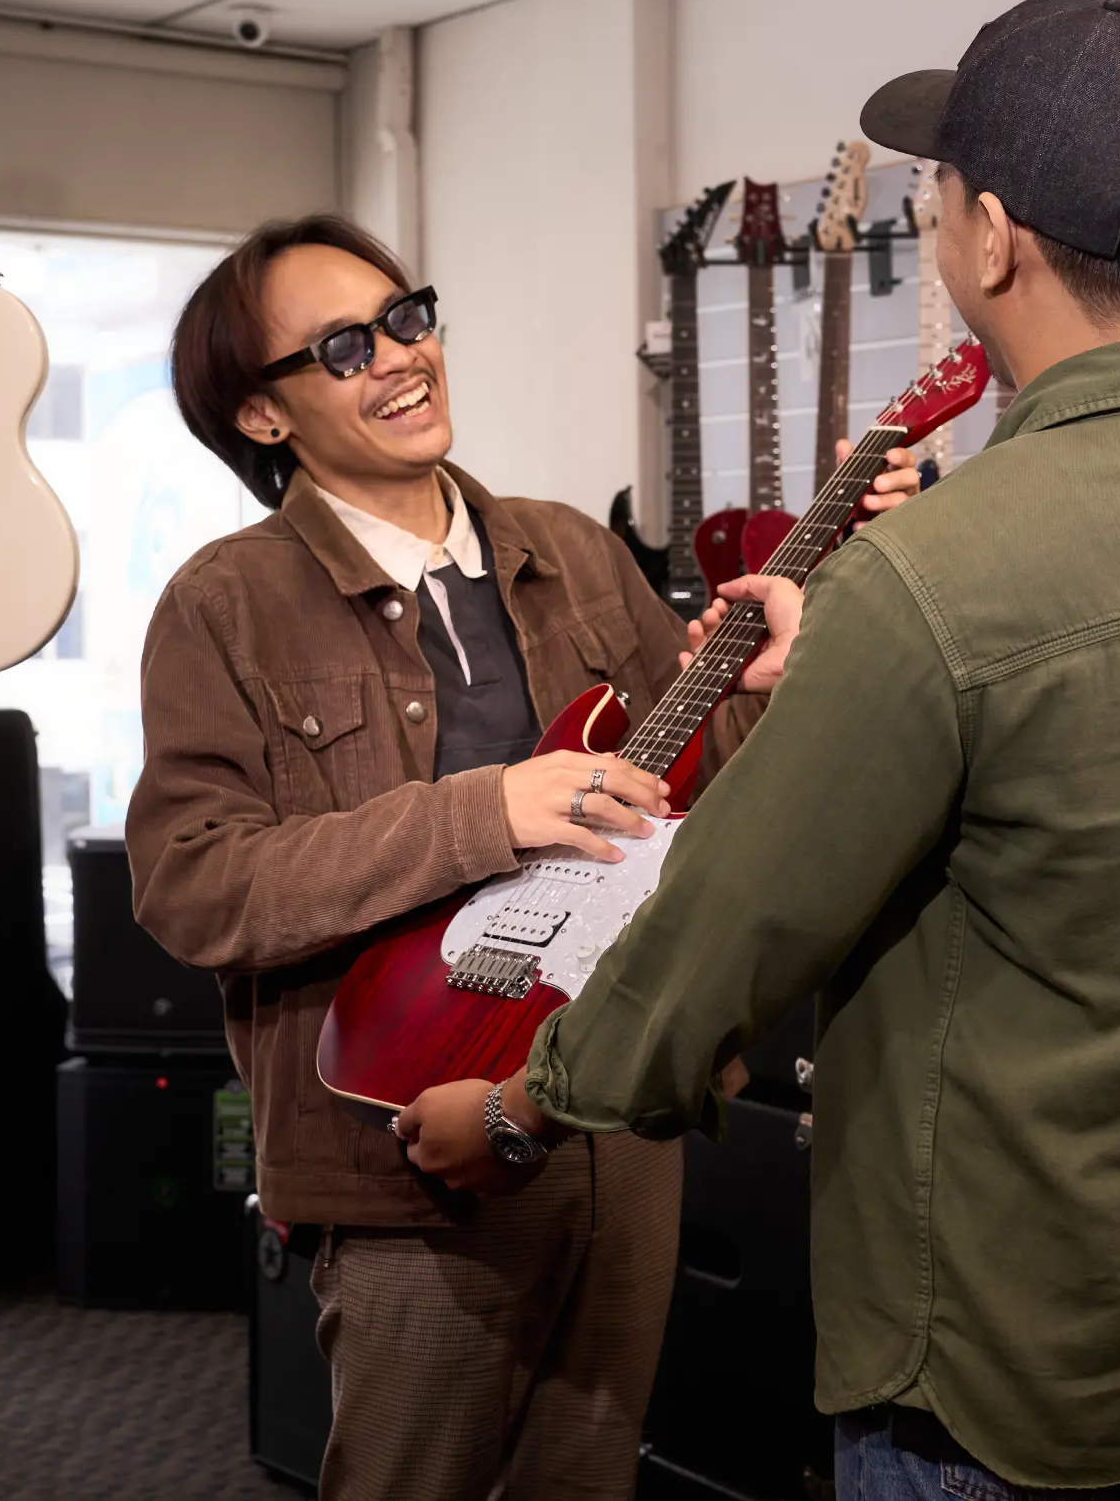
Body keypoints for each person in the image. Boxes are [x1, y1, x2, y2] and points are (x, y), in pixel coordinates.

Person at [399, 0, 1120, 1497]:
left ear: (990, 237)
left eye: (937, 190)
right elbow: (1107, 759)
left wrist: (526, 1111)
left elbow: (724, 927)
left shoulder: (933, 574)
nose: (935, 218)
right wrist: (871, 669)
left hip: (1012, 1357)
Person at [125, 214, 918, 1501]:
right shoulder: (224, 603)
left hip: (610, 1111)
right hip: (400, 1143)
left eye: (407, 317)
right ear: (261, 417)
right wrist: (481, 810)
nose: (398, 356)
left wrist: (778, 672)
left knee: (587, 1475)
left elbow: (700, 783)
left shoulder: (568, 549)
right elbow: (192, 882)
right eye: (342, 346)